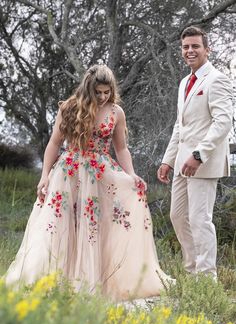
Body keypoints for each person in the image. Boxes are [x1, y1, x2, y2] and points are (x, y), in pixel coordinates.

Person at [5, 64, 173, 301]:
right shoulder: (69, 108)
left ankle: (94, 282)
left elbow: (121, 148)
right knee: (61, 226)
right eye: (98, 92)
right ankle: (58, 281)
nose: (103, 96)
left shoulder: (116, 112)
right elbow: (54, 143)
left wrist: (132, 174)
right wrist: (44, 176)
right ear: (88, 89)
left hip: (100, 175)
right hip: (69, 173)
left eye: (107, 92)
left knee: (96, 226)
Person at [157, 26, 233, 280]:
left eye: (195, 46)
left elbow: (223, 122)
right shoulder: (184, 83)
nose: (190, 51)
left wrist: (199, 155)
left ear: (207, 50)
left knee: (200, 220)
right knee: (178, 216)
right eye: (186, 47)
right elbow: (181, 126)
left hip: (203, 162)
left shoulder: (217, 79)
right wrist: (168, 160)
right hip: (181, 163)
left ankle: (206, 279)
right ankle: (192, 273)